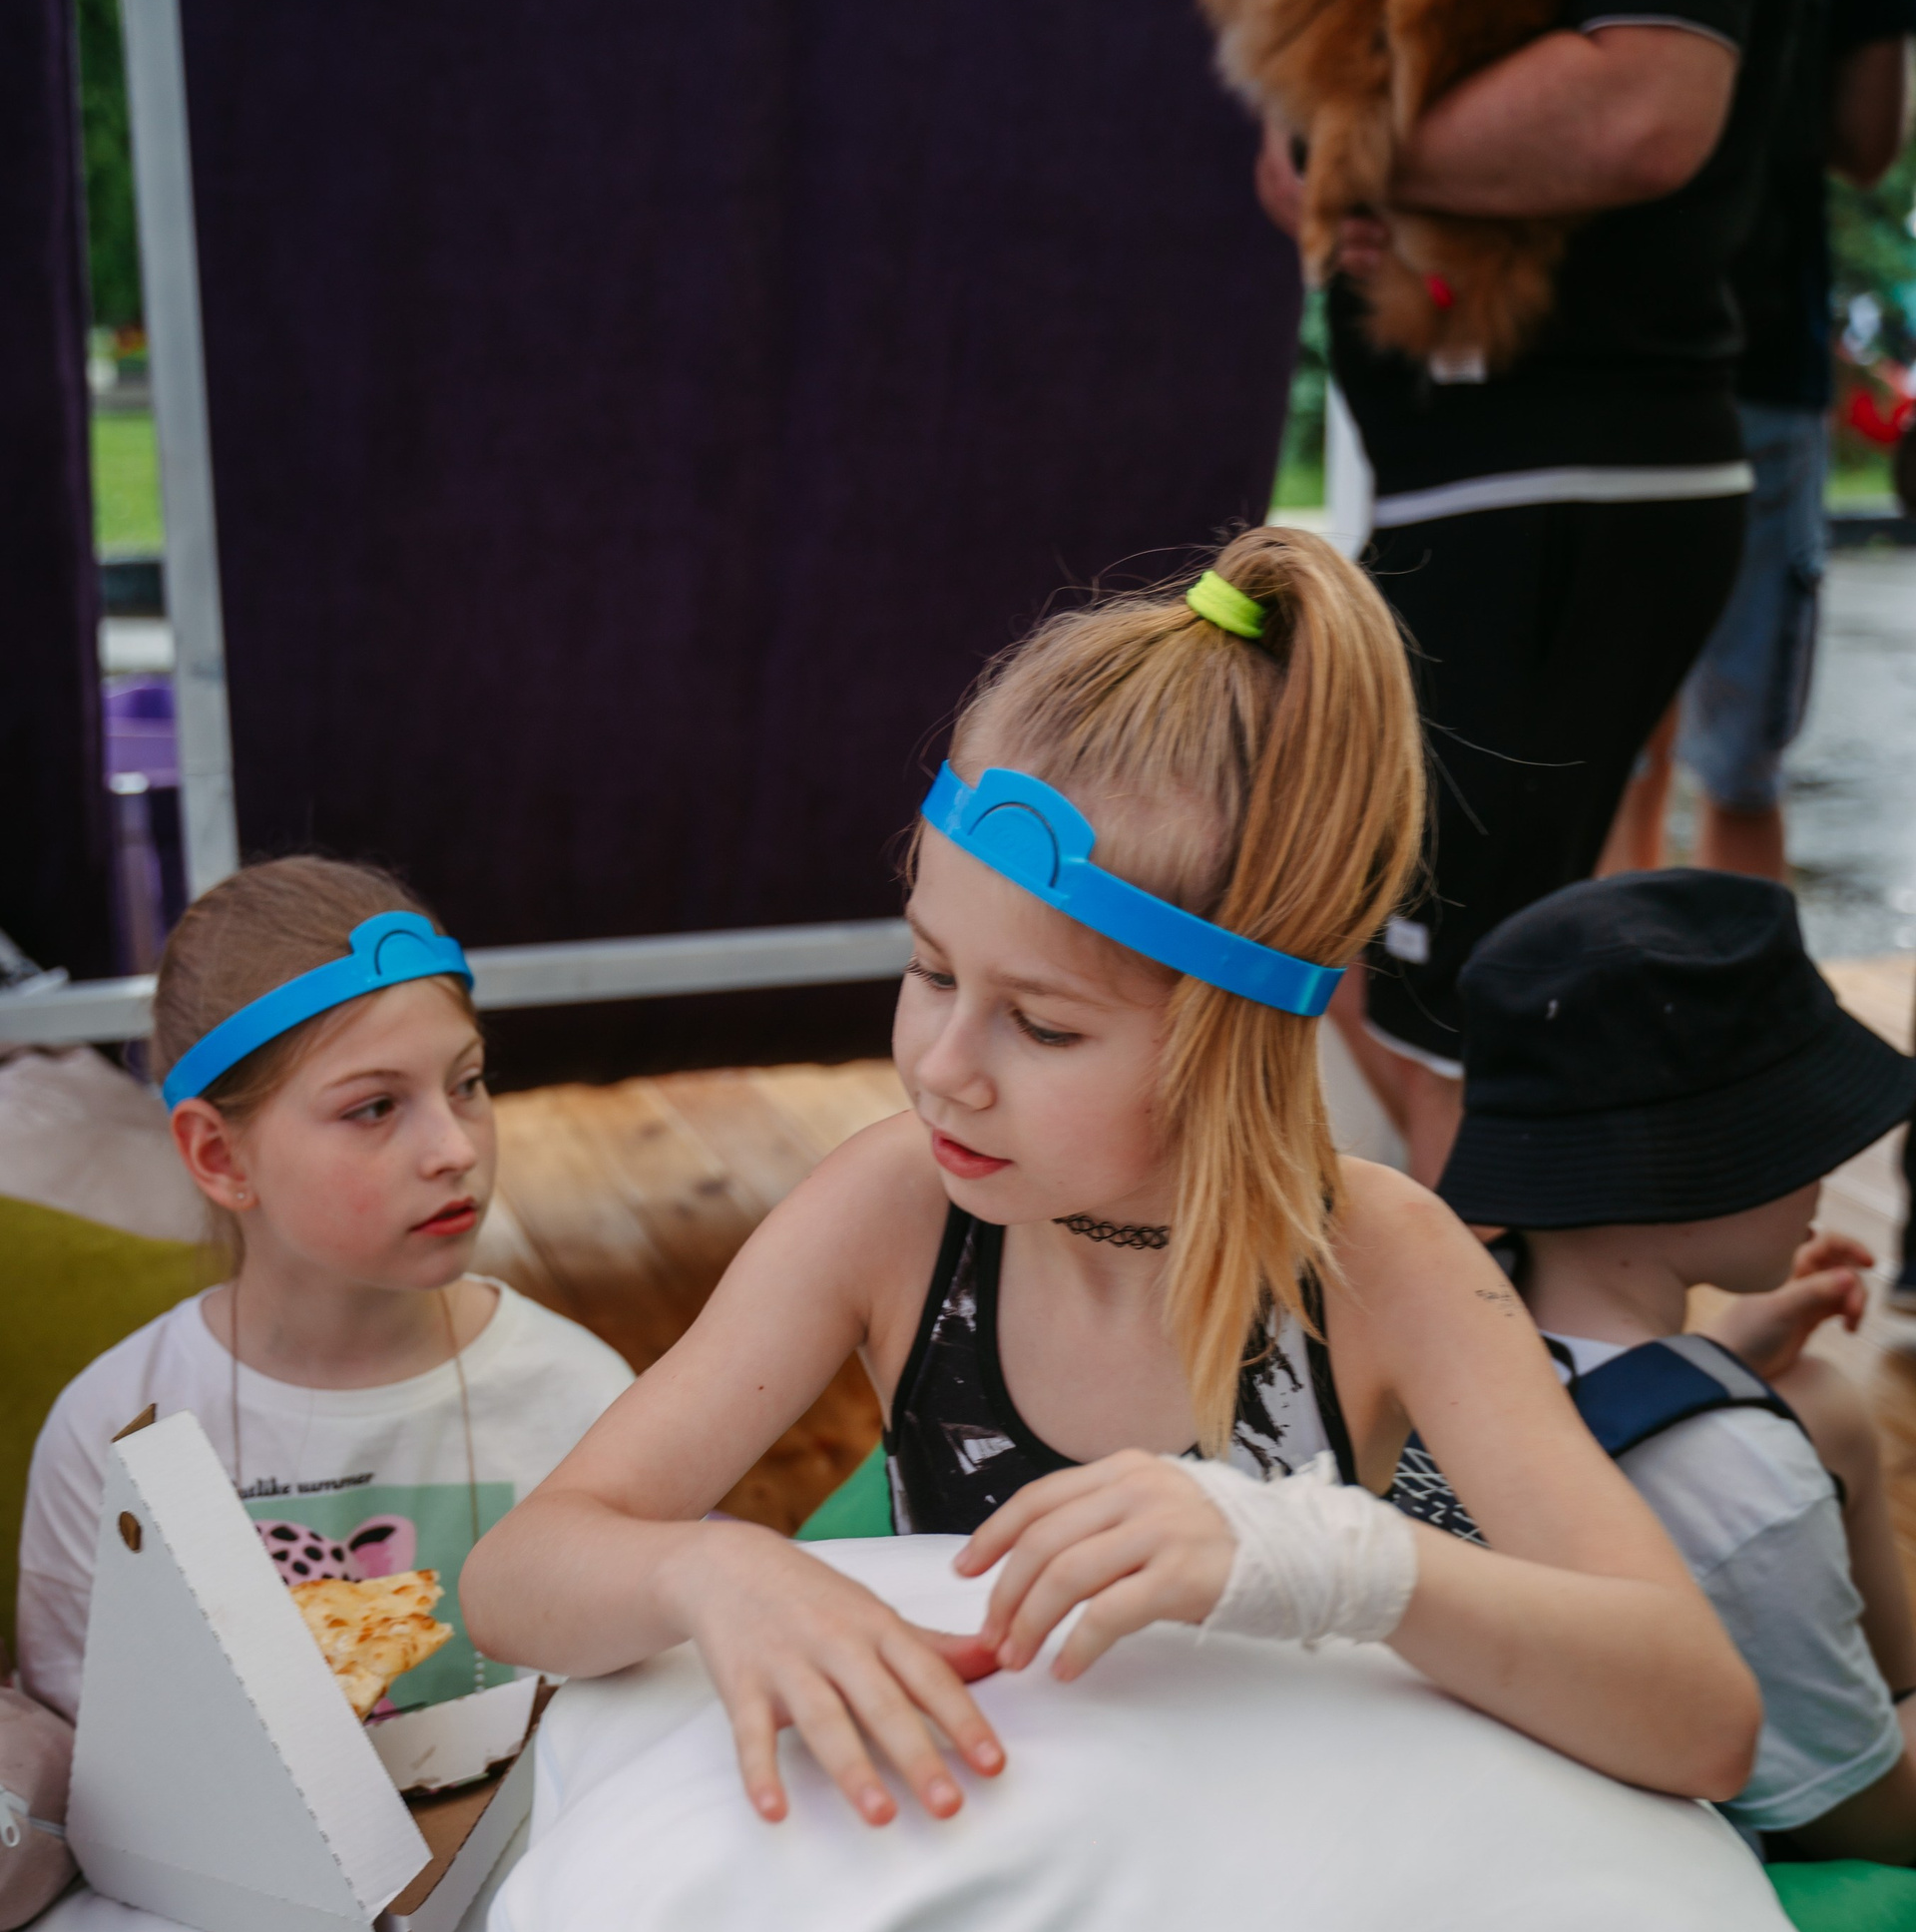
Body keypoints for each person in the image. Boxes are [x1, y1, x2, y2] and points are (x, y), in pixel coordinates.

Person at [463, 528, 1759, 1829]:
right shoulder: (894, 1208)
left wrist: (1336, 1564)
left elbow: (1703, 1722)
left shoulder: (1382, 1260)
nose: (943, 1068)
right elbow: (514, 1583)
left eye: (1042, 1026)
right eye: (930, 969)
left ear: (1232, 1038)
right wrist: (712, 1570)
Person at [1255, 0, 1841, 1184]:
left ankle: (1538, 1313)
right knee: (1357, 948)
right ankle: (1563, 1282)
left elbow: (1648, 104)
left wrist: (1345, 151)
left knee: (1448, 1033)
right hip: (1507, 479)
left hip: (1555, 477)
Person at [16, 856, 634, 1722]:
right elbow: (84, 1749)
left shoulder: (582, 1395)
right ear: (219, 1157)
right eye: (374, 1108)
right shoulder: (113, 1430)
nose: (456, 1148)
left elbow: (646, 1715)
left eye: (467, 1084)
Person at [1433, 867, 1916, 1862]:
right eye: (1803, 1131)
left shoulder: (1443, 1321)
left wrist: (1718, 1361)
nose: (1827, 1168)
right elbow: (1864, 1820)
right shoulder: (1741, 1484)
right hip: (1713, 1861)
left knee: (1819, 1399)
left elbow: (1573, 1430)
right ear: (1701, 1161)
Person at [1604, 0, 1916, 880]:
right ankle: (1732, 996)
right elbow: (1869, 136)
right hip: (1759, 338)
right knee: (1739, 776)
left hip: (1593, 345)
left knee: (1610, 750)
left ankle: (1607, 989)